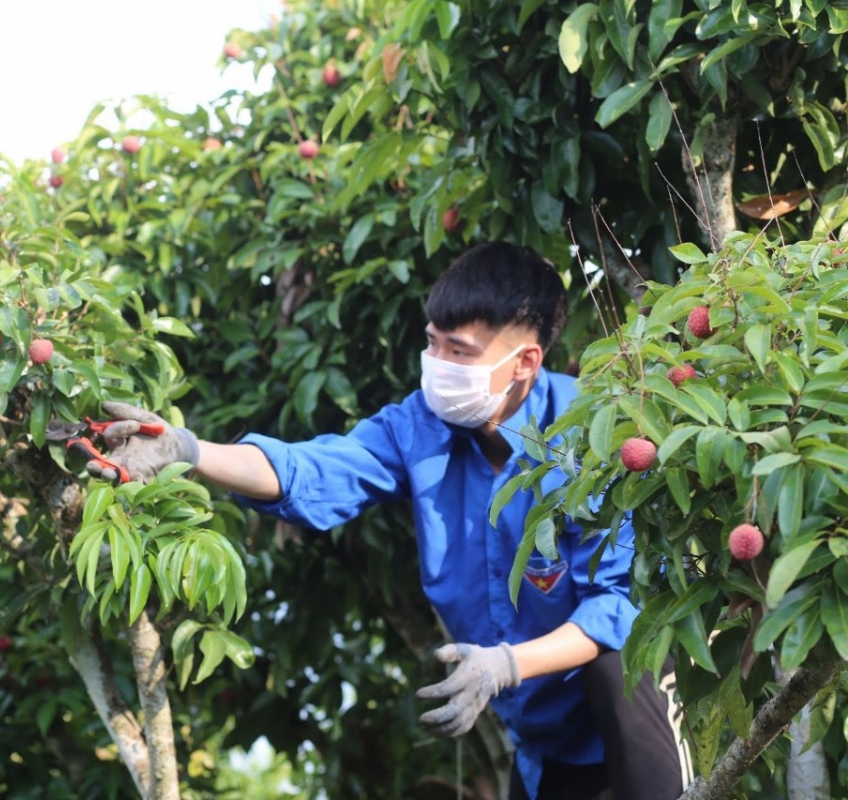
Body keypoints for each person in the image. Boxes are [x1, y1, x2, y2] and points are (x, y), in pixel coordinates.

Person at [86, 242, 691, 800]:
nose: (436, 363)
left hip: (627, 705)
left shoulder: (594, 436)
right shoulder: (418, 426)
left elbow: (622, 607)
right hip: (541, 734)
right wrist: (188, 450)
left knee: (624, 663)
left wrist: (506, 664)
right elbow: (316, 471)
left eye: (459, 351)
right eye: (432, 343)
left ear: (525, 361)